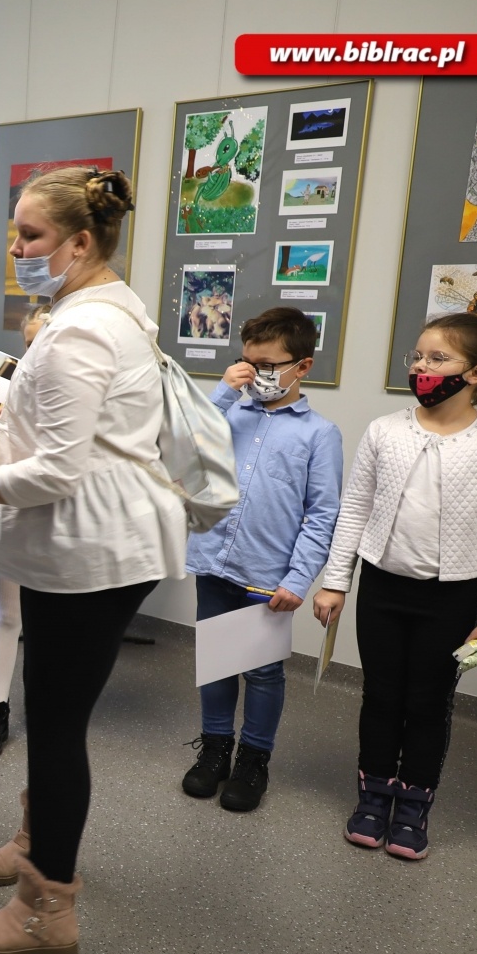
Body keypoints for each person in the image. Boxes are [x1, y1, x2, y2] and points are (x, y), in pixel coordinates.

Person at [0, 166, 181, 954]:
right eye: (14, 233)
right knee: (54, 710)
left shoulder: (81, 330)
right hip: (98, 543)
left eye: (30, 236)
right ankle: (37, 839)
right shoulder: (100, 309)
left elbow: (56, 471)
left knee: (60, 725)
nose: (17, 249)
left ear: (80, 240)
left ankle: (46, 911)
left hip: (91, 551)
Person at [314, 313, 477, 861]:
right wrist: (336, 582)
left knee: (429, 702)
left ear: (476, 372)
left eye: (438, 359)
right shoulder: (385, 431)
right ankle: (373, 797)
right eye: (417, 357)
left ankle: (412, 809)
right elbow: (355, 510)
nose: (422, 368)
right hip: (384, 589)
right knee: (381, 696)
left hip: (452, 598)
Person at [180, 308, 342, 811]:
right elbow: (186, 445)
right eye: (247, 362)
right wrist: (224, 390)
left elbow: (322, 514)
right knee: (217, 661)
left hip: (268, 572)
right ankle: (215, 750)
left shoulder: (320, 434)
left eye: (268, 365)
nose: (256, 374)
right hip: (214, 560)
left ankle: (254, 760)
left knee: (263, 673)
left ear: (303, 366)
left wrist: (299, 577)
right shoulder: (228, 412)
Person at [0, 304, 50, 760]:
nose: (36, 354)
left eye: (46, 345)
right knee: (10, 615)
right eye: (30, 345)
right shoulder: (2, 392)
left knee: (51, 625)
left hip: (59, 523)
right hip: (9, 517)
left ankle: (49, 712)